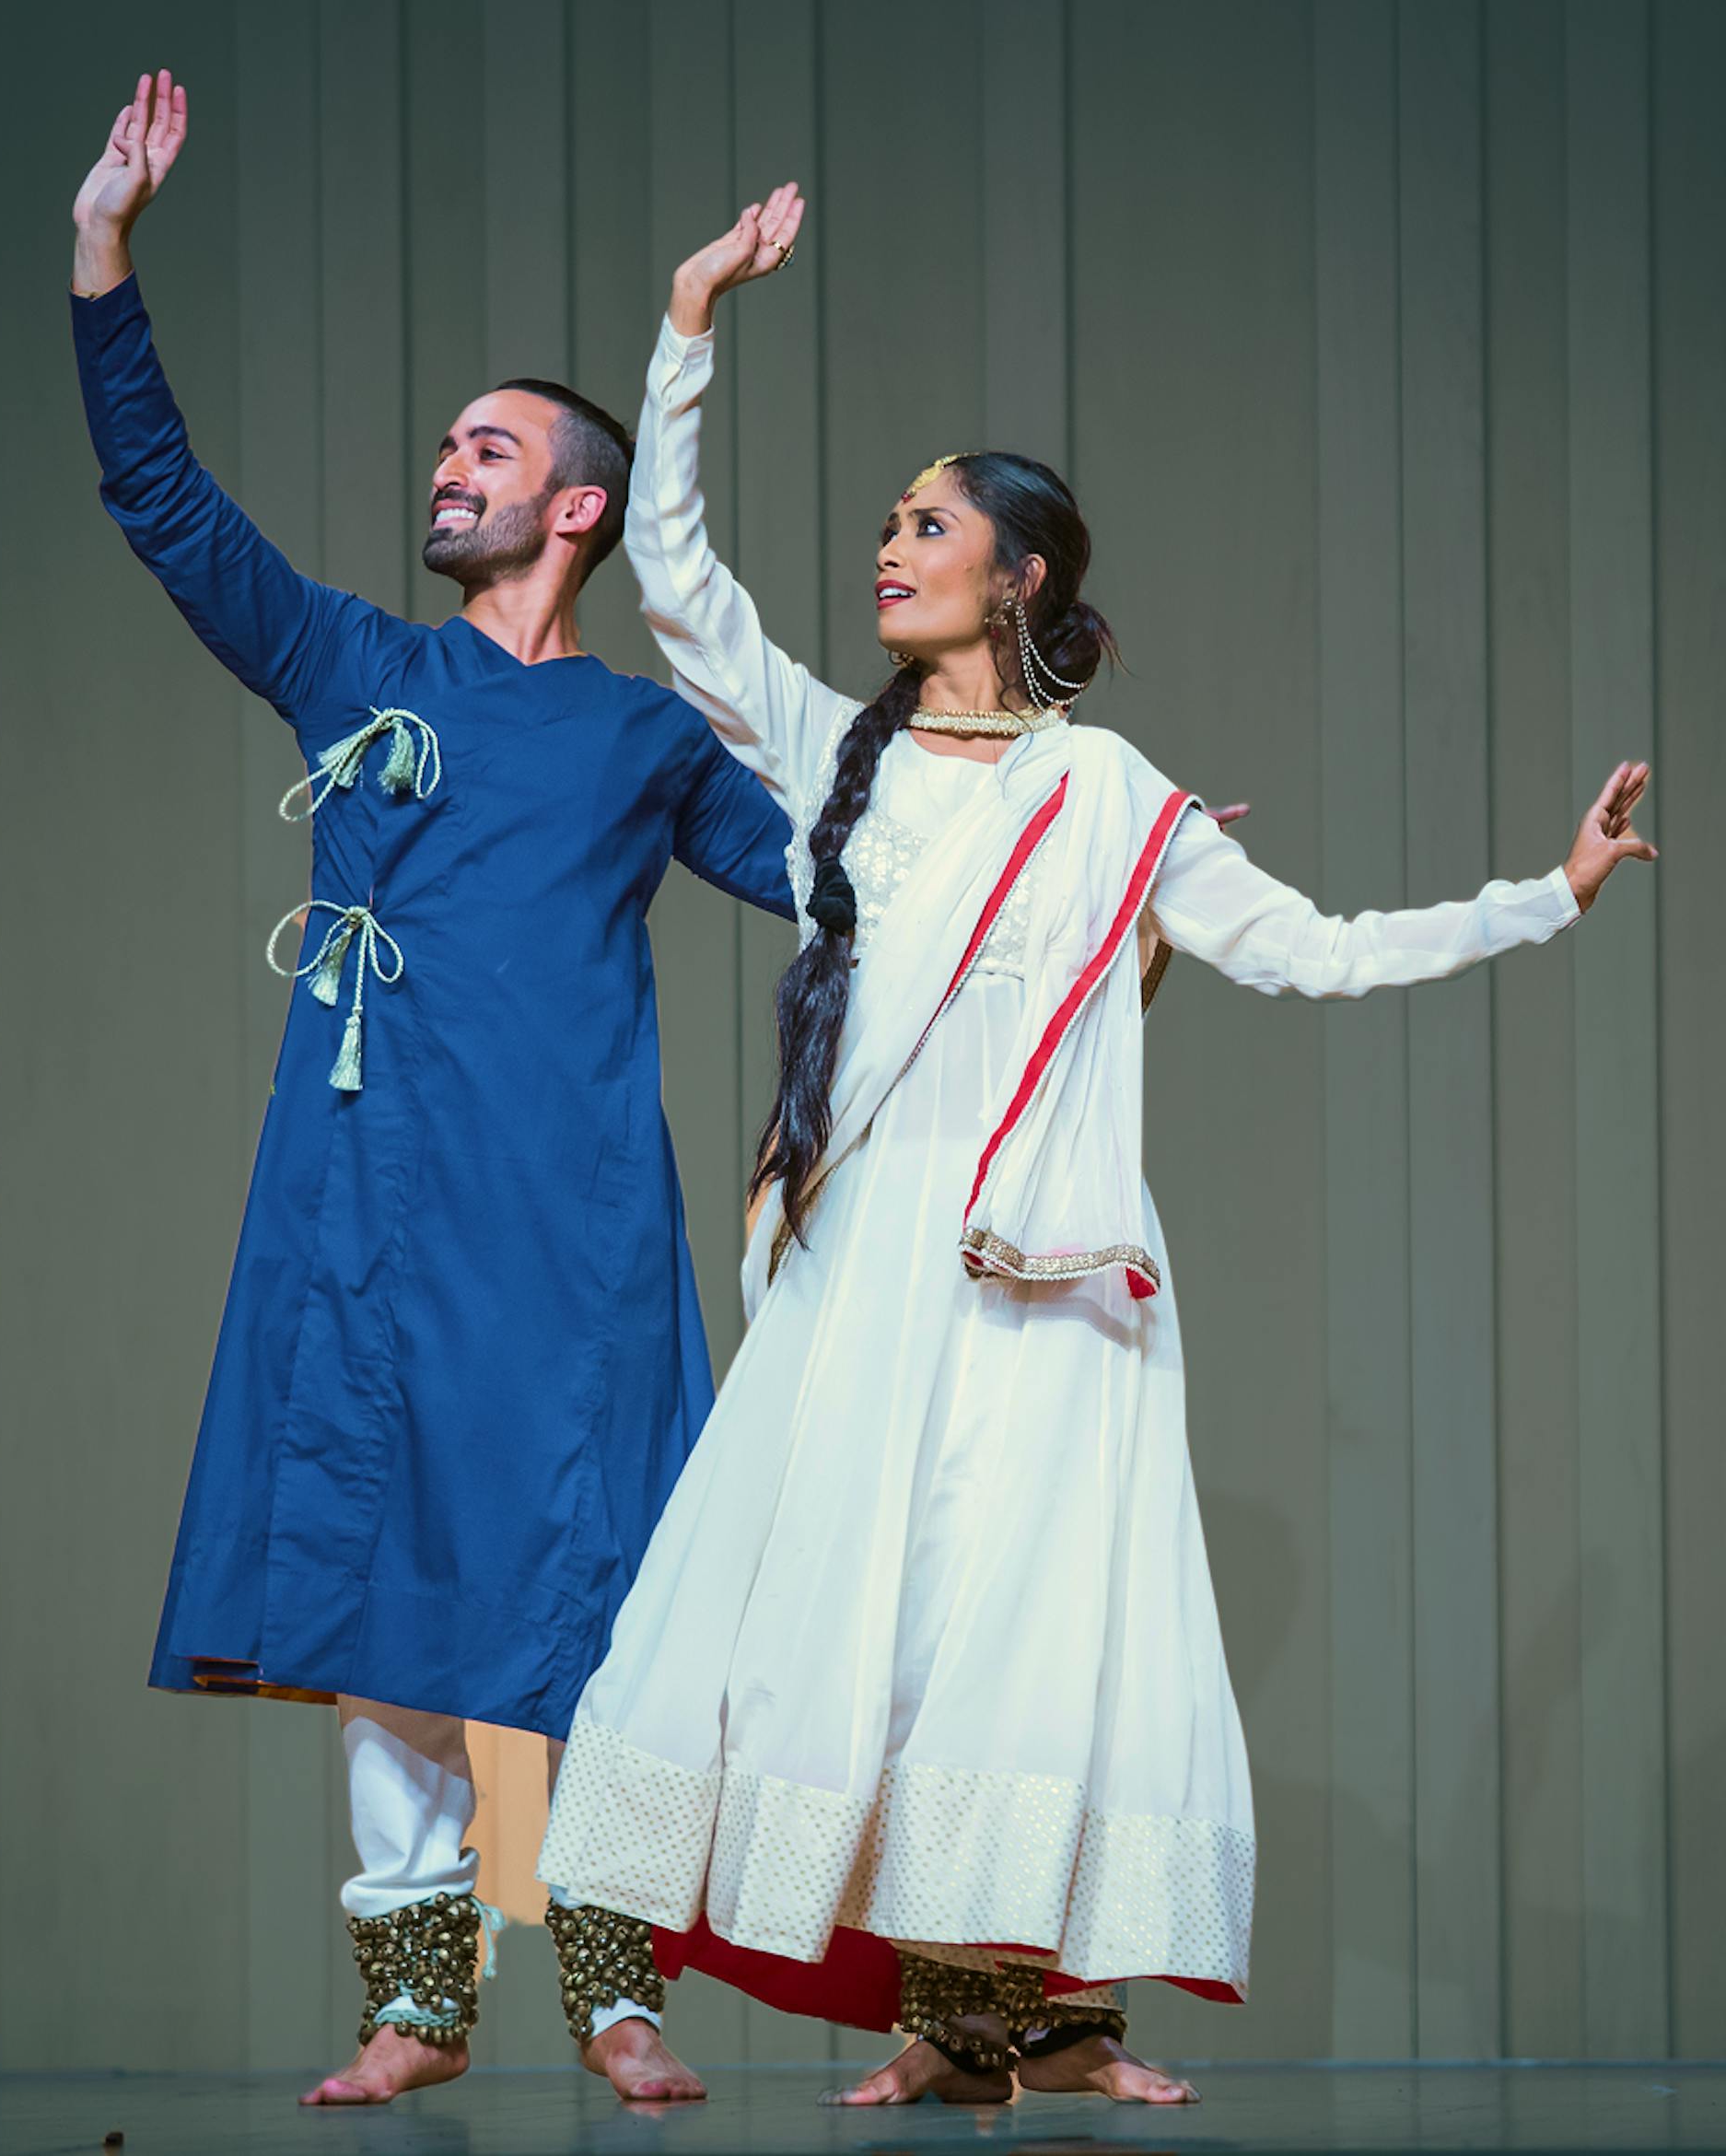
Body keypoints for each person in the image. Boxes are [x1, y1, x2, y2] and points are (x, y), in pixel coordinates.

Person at [540, 183, 1657, 2107]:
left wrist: (1541, 896)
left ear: (1025, 575)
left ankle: (1016, 2022)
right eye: (890, 522)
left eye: (931, 523)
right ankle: (942, 2022)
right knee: (855, 1623)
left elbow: (1311, 953)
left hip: (1051, 1269)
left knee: (1025, 1636)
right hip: (870, 1257)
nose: (891, 546)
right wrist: (688, 325)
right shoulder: (844, 753)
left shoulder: (1112, 795)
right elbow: (676, 581)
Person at [71, 74, 795, 2107]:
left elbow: (835, 881)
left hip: (568, 1223)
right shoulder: (362, 668)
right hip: (374, 1198)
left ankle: (620, 1987)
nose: (450, 466)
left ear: (577, 503)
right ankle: (416, 1997)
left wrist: (1058, 833)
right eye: (450, 444)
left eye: (492, 447)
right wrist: (103, 258)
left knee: (607, 1593)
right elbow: (169, 514)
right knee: (377, 1584)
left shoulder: (642, 736)